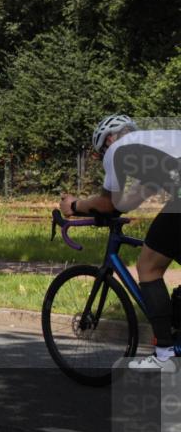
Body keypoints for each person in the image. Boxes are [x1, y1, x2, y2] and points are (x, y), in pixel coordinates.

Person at [59, 115, 181, 372]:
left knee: (148, 267)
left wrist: (73, 206)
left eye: (100, 150)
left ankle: (165, 355)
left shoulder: (116, 150)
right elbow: (127, 203)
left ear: (109, 139)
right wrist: (94, 210)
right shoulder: (154, 148)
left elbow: (108, 204)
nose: (103, 155)